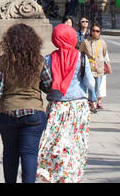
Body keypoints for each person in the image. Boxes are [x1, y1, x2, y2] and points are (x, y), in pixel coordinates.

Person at [0, 23, 48, 183]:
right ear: (33, 41)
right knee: (30, 153)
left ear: (9, 41)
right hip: (34, 113)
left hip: (8, 113)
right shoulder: (38, 61)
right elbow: (48, 85)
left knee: (10, 153)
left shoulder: (3, 61)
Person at [36, 23, 97, 183]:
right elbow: (90, 83)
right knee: (76, 142)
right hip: (79, 107)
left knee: (54, 140)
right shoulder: (81, 58)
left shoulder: (49, 58)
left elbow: (45, 82)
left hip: (57, 105)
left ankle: (51, 172)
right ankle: (71, 175)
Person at [80, 23, 110, 111]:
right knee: (91, 86)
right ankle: (93, 103)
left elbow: (104, 53)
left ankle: (93, 101)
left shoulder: (102, 43)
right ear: (90, 31)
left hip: (99, 68)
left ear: (100, 32)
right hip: (89, 68)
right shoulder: (85, 42)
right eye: (93, 31)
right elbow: (81, 52)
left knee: (97, 87)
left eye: (97, 31)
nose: (95, 33)